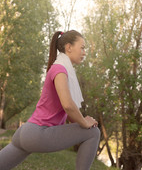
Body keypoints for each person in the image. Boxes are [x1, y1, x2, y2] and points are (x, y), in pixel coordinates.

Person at [0, 30, 100, 170]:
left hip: (25, 133)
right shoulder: (60, 70)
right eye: (82, 47)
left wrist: (82, 121)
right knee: (93, 133)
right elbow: (68, 105)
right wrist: (84, 123)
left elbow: (70, 113)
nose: (84, 52)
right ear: (69, 47)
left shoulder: (59, 68)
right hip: (38, 133)